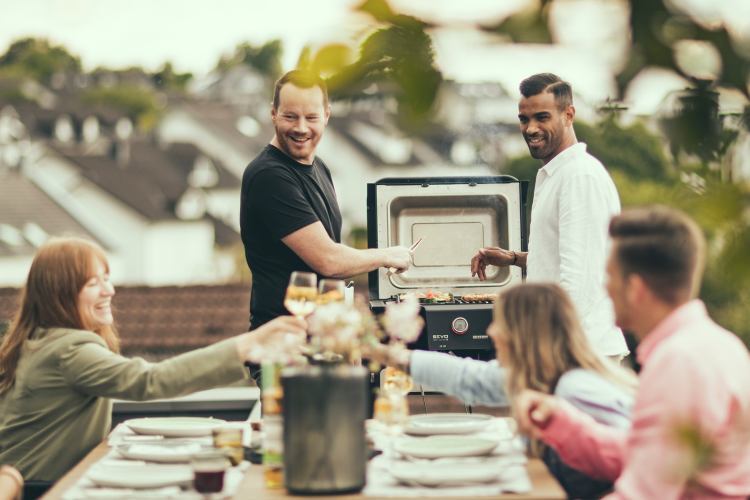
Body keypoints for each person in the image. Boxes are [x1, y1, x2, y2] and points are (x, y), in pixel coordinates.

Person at [0, 237, 306, 484]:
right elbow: (150, 381)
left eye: (107, 278)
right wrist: (245, 346)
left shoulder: (40, 340)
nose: (110, 290)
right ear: (60, 293)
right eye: (93, 283)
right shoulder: (69, 349)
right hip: (40, 490)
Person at [515, 206, 750, 499]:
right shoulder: (717, 344)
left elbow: (642, 493)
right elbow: (643, 455)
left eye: (610, 276)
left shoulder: (680, 361)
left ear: (635, 288)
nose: (606, 287)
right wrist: (559, 421)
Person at [369, 283, 637, 498]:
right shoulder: (543, 379)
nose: (491, 331)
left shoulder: (575, 389)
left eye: (499, 322)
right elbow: (470, 377)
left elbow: (641, 463)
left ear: (523, 333)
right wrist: (387, 355)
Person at [471, 73, 628, 358]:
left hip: (578, 351)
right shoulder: (560, 173)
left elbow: (579, 279)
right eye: (523, 119)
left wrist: (544, 350)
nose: (531, 129)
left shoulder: (578, 176)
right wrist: (514, 259)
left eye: (542, 117)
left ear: (568, 115)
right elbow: (567, 258)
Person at [240, 69, 411, 331]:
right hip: (283, 347)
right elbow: (329, 261)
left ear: (327, 115)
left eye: (311, 117)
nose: (301, 128)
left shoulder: (319, 168)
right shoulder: (269, 176)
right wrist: (388, 255)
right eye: (290, 116)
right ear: (273, 113)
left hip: (322, 340)